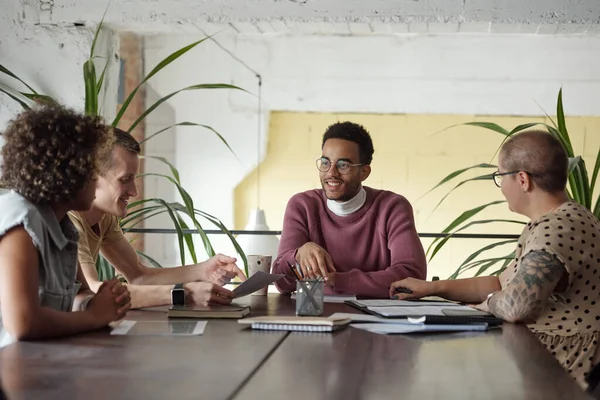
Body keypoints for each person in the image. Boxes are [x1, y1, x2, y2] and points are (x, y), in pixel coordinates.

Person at [390, 130, 600, 389]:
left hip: (564, 373)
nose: (501, 187)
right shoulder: (567, 218)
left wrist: (489, 304)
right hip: (549, 362)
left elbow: (516, 305)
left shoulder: (556, 229)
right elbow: (503, 284)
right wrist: (434, 288)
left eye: (500, 176)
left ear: (522, 180)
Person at [69, 128, 246, 309]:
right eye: (125, 179)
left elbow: (139, 276)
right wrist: (185, 293)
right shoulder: (69, 221)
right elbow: (93, 293)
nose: (134, 192)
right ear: (91, 177)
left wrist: (203, 270)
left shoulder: (104, 218)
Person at [0, 105, 131, 344]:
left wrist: (101, 301)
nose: (96, 180)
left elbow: (77, 296)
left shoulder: (64, 227)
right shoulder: (21, 221)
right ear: (67, 171)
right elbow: (22, 322)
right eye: (92, 169)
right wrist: (94, 316)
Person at [272, 121, 426, 298]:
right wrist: (297, 255)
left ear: (364, 172)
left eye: (343, 165)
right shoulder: (302, 205)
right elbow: (282, 283)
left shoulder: (392, 207)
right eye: (325, 162)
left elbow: (412, 277)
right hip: (319, 316)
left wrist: (338, 280)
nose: (331, 173)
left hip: (377, 319)